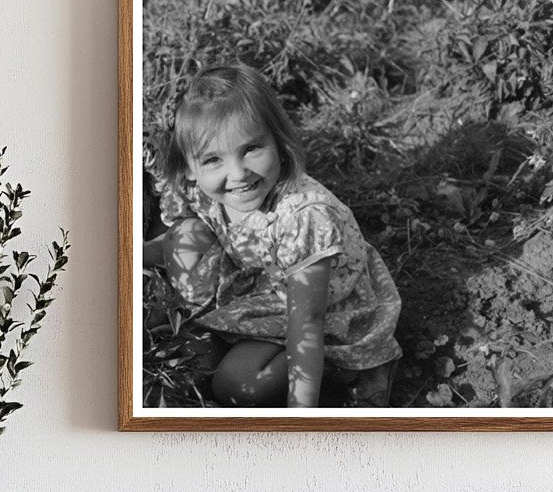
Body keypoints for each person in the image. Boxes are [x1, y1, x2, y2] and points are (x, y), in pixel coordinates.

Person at [145, 64, 401, 408]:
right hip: (254, 279)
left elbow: (307, 320)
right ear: (191, 168)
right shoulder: (199, 188)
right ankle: (215, 327)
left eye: (251, 149)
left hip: (318, 309)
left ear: (278, 141)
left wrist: (300, 414)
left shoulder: (304, 217)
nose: (237, 173)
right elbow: (171, 242)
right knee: (182, 235)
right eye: (213, 159)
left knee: (238, 386)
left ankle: (340, 370)